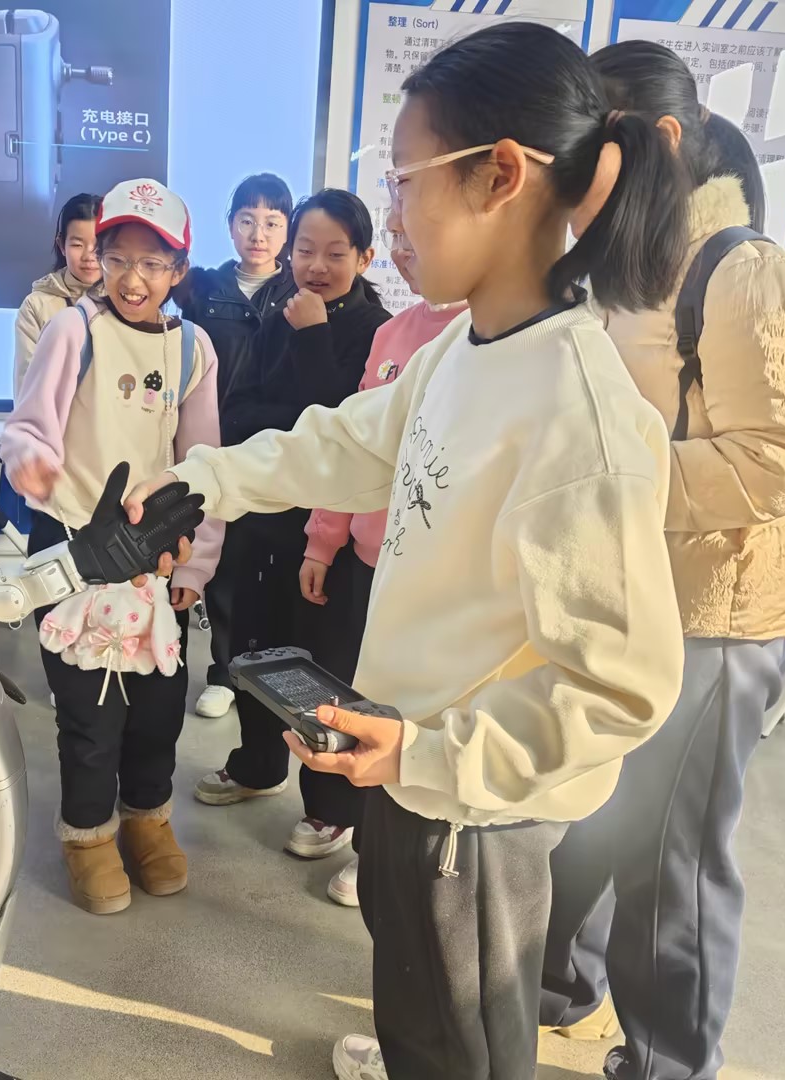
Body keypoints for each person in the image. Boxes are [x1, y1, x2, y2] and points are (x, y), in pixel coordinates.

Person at [126, 23, 692, 1078]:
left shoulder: (580, 415)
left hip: (472, 819)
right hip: (404, 767)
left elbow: (621, 687)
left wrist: (427, 758)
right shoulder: (463, 348)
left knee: (463, 1045)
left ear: (501, 175)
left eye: (404, 182)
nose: (389, 218)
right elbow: (354, 445)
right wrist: (205, 480)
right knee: (418, 1020)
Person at [539, 42, 785, 1080]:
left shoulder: (750, 276)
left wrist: (600, 481)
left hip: (720, 616)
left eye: (582, 154)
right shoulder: (638, 271)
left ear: (659, 140)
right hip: (634, 596)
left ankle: (670, 1063)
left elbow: (773, 464)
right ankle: (560, 986)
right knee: (593, 813)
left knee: (672, 857)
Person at [1, 178, 224, 916]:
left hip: (155, 561)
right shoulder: (74, 329)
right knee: (90, 715)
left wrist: (197, 562)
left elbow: (205, 465)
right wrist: (32, 461)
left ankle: (147, 820)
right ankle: (88, 835)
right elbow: (29, 423)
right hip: (75, 551)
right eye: (119, 258)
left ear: (179, 270)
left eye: (153, 263)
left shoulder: (193, 348)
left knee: (159, 709)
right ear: (97, 257)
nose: (133, 278)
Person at [191, 188, 391, 863]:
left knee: (318, 668)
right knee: (253, 651)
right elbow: (242, 407)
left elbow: (344, 433)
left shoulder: (374, 329)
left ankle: (330, 808)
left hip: (325, 533)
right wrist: (280, 431)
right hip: (263, 517)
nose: (317, 265)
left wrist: (312, 337)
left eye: (335, 253)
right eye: (306, 250)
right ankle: (257, 765)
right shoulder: (281, 307)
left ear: (364, 257)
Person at [299, 217, 466, 907]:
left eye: (415, 231)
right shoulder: (393, 333)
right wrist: (323, 539)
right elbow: (355, 447)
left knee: (403, 717)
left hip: (433, 577)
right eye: (398, 235)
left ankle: (375, 851)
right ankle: (334, 814)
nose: (405, 249)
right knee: (343, 695)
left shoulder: (485, 340)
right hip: (367, 561)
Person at [181, 173, 298, 719]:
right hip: (213, 448)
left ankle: (254, 669)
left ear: (287, 229)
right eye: (247, 220)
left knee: (267, 565)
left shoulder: (300, 293)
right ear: (230, 226)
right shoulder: (203, 291)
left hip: (277, 451)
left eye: (272, 222)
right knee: (219, 561)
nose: (259, 233)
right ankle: (217, 670)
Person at [13, 193, 104, 397]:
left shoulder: (126, 302)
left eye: (98, 246)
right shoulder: (36, 306)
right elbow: (27, 389)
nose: (89, 256)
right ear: (62, 245)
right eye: (77, 245)